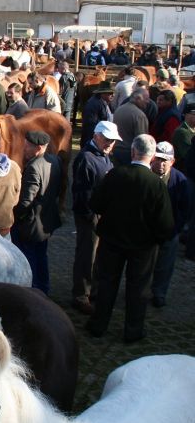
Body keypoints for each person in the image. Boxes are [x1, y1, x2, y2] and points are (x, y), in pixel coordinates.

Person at [86, 134, 174, 343]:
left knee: (107, 283)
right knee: (138, 288)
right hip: (143, 246)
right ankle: (133, 330)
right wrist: (158, 239)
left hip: (112, 241)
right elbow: (165, 223)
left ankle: (99, 324)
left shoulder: (115, 174)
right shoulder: (156, 184)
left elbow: (96, 204)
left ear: (133, 151)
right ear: (152, 157)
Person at [70, 121, 119, 314]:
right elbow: (82, 192)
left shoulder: (103, 156)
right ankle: (81, 295)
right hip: (89, 216)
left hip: (100, 214)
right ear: (96, 136)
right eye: (107, 140)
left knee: (97, 255)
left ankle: (93, 289)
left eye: (113, 141)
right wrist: (90, 215)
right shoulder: (86, 158)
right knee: (86, 255)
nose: (110, 144)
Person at [12, 131, 62, 294]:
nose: (24, 148)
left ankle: (32, 292)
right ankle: (44, 289)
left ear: (38, 148)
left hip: (31, 225)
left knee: (29, 259)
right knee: (42, 257)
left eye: (27, 145)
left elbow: (26, 201)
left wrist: (17, 216)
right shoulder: (54, 160)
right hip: (47, 221)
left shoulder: (34, 167)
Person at [149, 142, 189, 307]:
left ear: (173, 161)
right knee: (143, 264)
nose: (161, 163)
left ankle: (159, 293)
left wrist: (175, 229)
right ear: (152, 158)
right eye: (158, 159)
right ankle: (140, 291)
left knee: (165, 265)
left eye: (166, 160)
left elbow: (184, 208)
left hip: (169, 231)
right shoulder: (146, 175)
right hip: (147, 230)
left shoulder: (179, 180)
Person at [112, 89, 149, 165]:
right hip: (129, 155)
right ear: (138, 98)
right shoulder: (139, 115)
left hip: (116, 151)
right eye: (146, 99)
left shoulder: (119, 109)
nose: (148, 101)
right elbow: (141, 140)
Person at [81, 81, 114, 146]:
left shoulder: (106, 102)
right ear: (102, 93)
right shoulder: (93, 104)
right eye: (110, 93)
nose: (113, 95)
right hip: (93, 141)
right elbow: (90, 125)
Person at [172, 103, 195, 172]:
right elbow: (188, 155)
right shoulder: (182, 132)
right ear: (186, 115)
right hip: (183, 171)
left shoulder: (192, 130)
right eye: (194, 114)